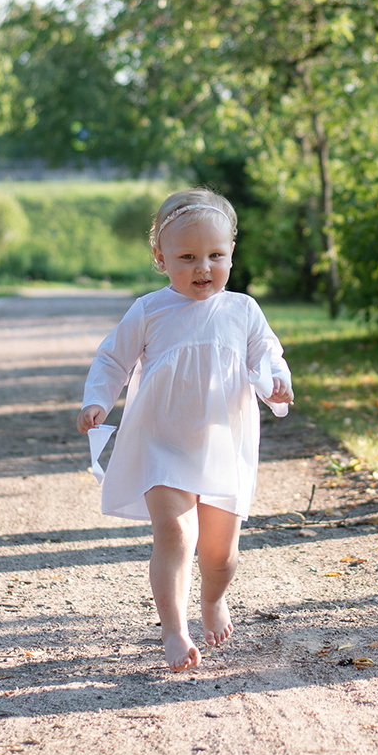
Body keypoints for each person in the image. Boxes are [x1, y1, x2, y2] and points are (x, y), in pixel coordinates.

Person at [78, 189, 294, 672]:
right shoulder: (150, 310)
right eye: (188, 257)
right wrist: (98, 399)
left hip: (221, 443)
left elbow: (266, 354)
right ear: (160, 257)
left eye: (216, 256)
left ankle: (214, 598)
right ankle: (174, 631)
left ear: (232, 255)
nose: (204, 268)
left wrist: (276, 383)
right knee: (174, 534)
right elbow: (113, 358)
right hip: (162, 440)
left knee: (220, 552)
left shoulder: (242, 311)